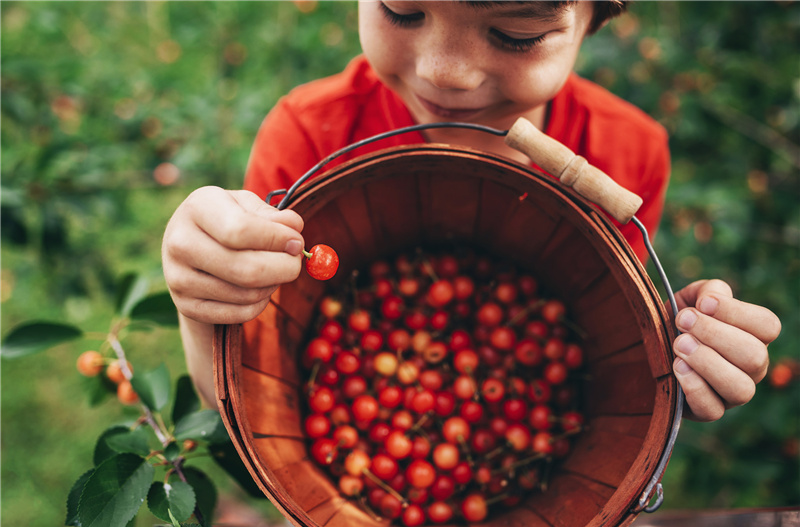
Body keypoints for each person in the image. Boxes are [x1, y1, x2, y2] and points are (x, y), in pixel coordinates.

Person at [162, 1, 781, 425]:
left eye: (515, 34)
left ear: (597, 15)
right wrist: (203, 305)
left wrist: (680, 349)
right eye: (402, 9)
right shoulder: (309, 139)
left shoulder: (626, 157)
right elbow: (240, 392)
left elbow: (601, 331)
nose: (444, 73)